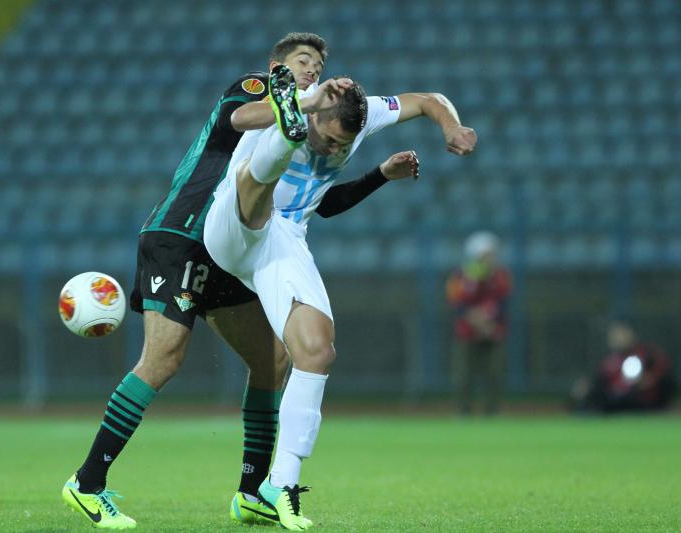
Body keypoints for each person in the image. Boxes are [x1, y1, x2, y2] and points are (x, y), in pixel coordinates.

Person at [61, 32, 420, 530]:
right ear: (277, 66)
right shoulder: (258, 89)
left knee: (273, 361)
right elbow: (239, 118)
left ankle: (252, 493)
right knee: (163, 360)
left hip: (235, 249)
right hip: (184, 234)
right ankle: (87, 483)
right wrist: (300, 103)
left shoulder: (305, 131)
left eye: (318, 67)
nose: (311, 71)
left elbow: (320, 203)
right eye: (303, 61)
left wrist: (376, 172)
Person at [204, 65, 476, 529]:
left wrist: (452, 126)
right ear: (315, 114)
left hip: (284, 239)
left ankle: (281, 484)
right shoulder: (303, 104)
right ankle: (284, 129)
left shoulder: (365, 114)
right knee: (258, 177)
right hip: (232, 223)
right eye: (327, 139)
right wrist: (302, 103)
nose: (332, 149)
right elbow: (235, 119)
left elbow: (428, 99)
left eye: (341, 145)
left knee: (317, 351)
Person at [446, 231, 511, 415]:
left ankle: (492, 412)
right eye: (486, 254)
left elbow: (504, 303)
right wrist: (478, 322)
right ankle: (462, 411)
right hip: (467, 333)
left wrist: (489, 326)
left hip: (493, 332)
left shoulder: (501, 276)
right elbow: (458, 305)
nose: (491, 258)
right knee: (463, 375)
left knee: (495, 374)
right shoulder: (459, 277)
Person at [570, 319, 676, 413]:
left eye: (621, 334)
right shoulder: (610, 361)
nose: (618, 339)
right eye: (615, 335)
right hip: (615, 399)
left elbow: (664, 376)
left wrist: (650, 381)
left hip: (641, 399)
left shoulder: (648, 354)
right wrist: (586, 387)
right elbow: (599, 382)